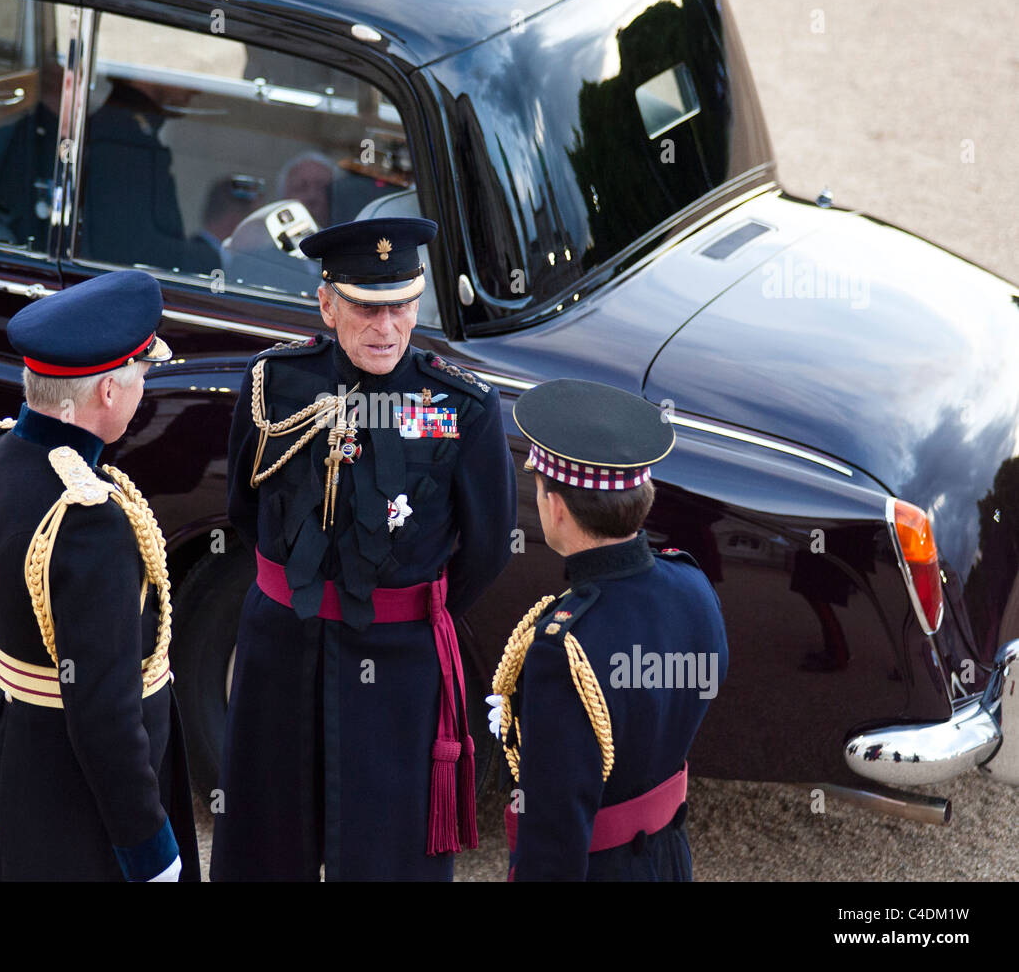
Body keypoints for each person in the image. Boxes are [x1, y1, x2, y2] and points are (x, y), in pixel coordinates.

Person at [212, 217, 517, 881]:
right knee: (263, 845)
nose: (386, 326)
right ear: (326, 304)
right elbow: (244, 506)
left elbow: (487, 547)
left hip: (397, 667)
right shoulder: (275, 383)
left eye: (401, 305)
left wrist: (398, 605)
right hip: (281, 650)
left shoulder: (459, 405)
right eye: (366, 307)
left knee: (387, 854)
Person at [0, 269, 198, 882]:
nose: (142, 393)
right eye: (139, 377)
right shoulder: (88, 521)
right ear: (109, 392)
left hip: (4, 762)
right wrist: (150, 851)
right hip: (73, 812)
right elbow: (105, 715)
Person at [490, 379, 728, 881]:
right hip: (669, 861)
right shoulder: (692, 584)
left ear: (556, 507)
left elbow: (552, 838)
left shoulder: (563, 649)